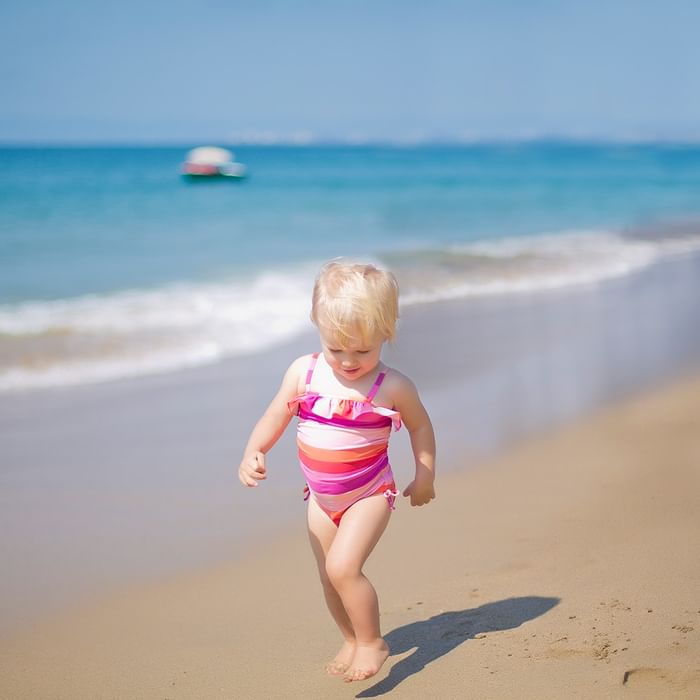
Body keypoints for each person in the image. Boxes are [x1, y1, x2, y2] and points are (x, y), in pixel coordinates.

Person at [238, 260, 436, 683]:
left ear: (386, 333)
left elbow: (420, 426)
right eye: (336, 349)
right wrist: (254, 450)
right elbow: (275, 415)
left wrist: (425, 475)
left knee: (343, 569)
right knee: (329, 579)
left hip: (369, 494)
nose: (348, 361)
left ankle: (372, 642)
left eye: (362, 351)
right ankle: (350, 638)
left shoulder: (392, 386)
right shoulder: (304, 373)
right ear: (318, 327)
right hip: (320, 499)